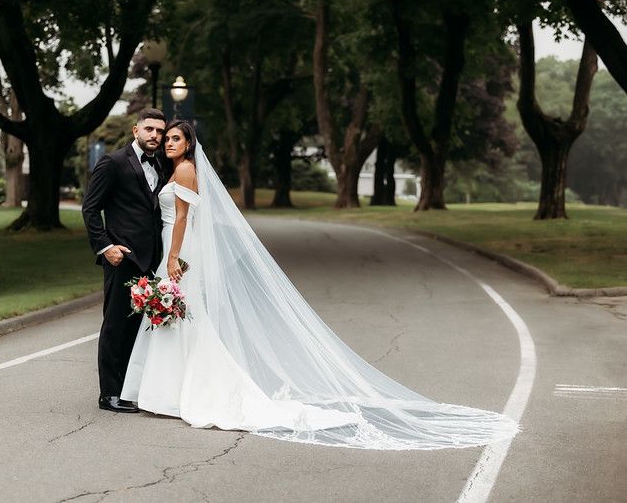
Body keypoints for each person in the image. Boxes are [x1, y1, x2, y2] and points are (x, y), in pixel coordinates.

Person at [120, 120, 520, 450]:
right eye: (166, 138)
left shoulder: (186, 168)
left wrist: (173, 258)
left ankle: (185, 391)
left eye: (176, 138)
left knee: (186, 315)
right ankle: (170, 390)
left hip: (182, 248)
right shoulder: (174, 170)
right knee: (181, 316)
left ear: (190, 145)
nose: (168, 142)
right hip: (176, 246)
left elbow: (186, 218)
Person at [82, 108, 166, 413]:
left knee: (140, 327)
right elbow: (90, 209)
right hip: (122, 259)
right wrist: (106, 247)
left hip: (152, 260)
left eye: (159, 131)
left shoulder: (161, 164)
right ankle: (110, 393)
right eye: (150, 130)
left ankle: (131, 387)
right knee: (116, 326)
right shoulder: (113, 162)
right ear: (136, 131)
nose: (155, 136)